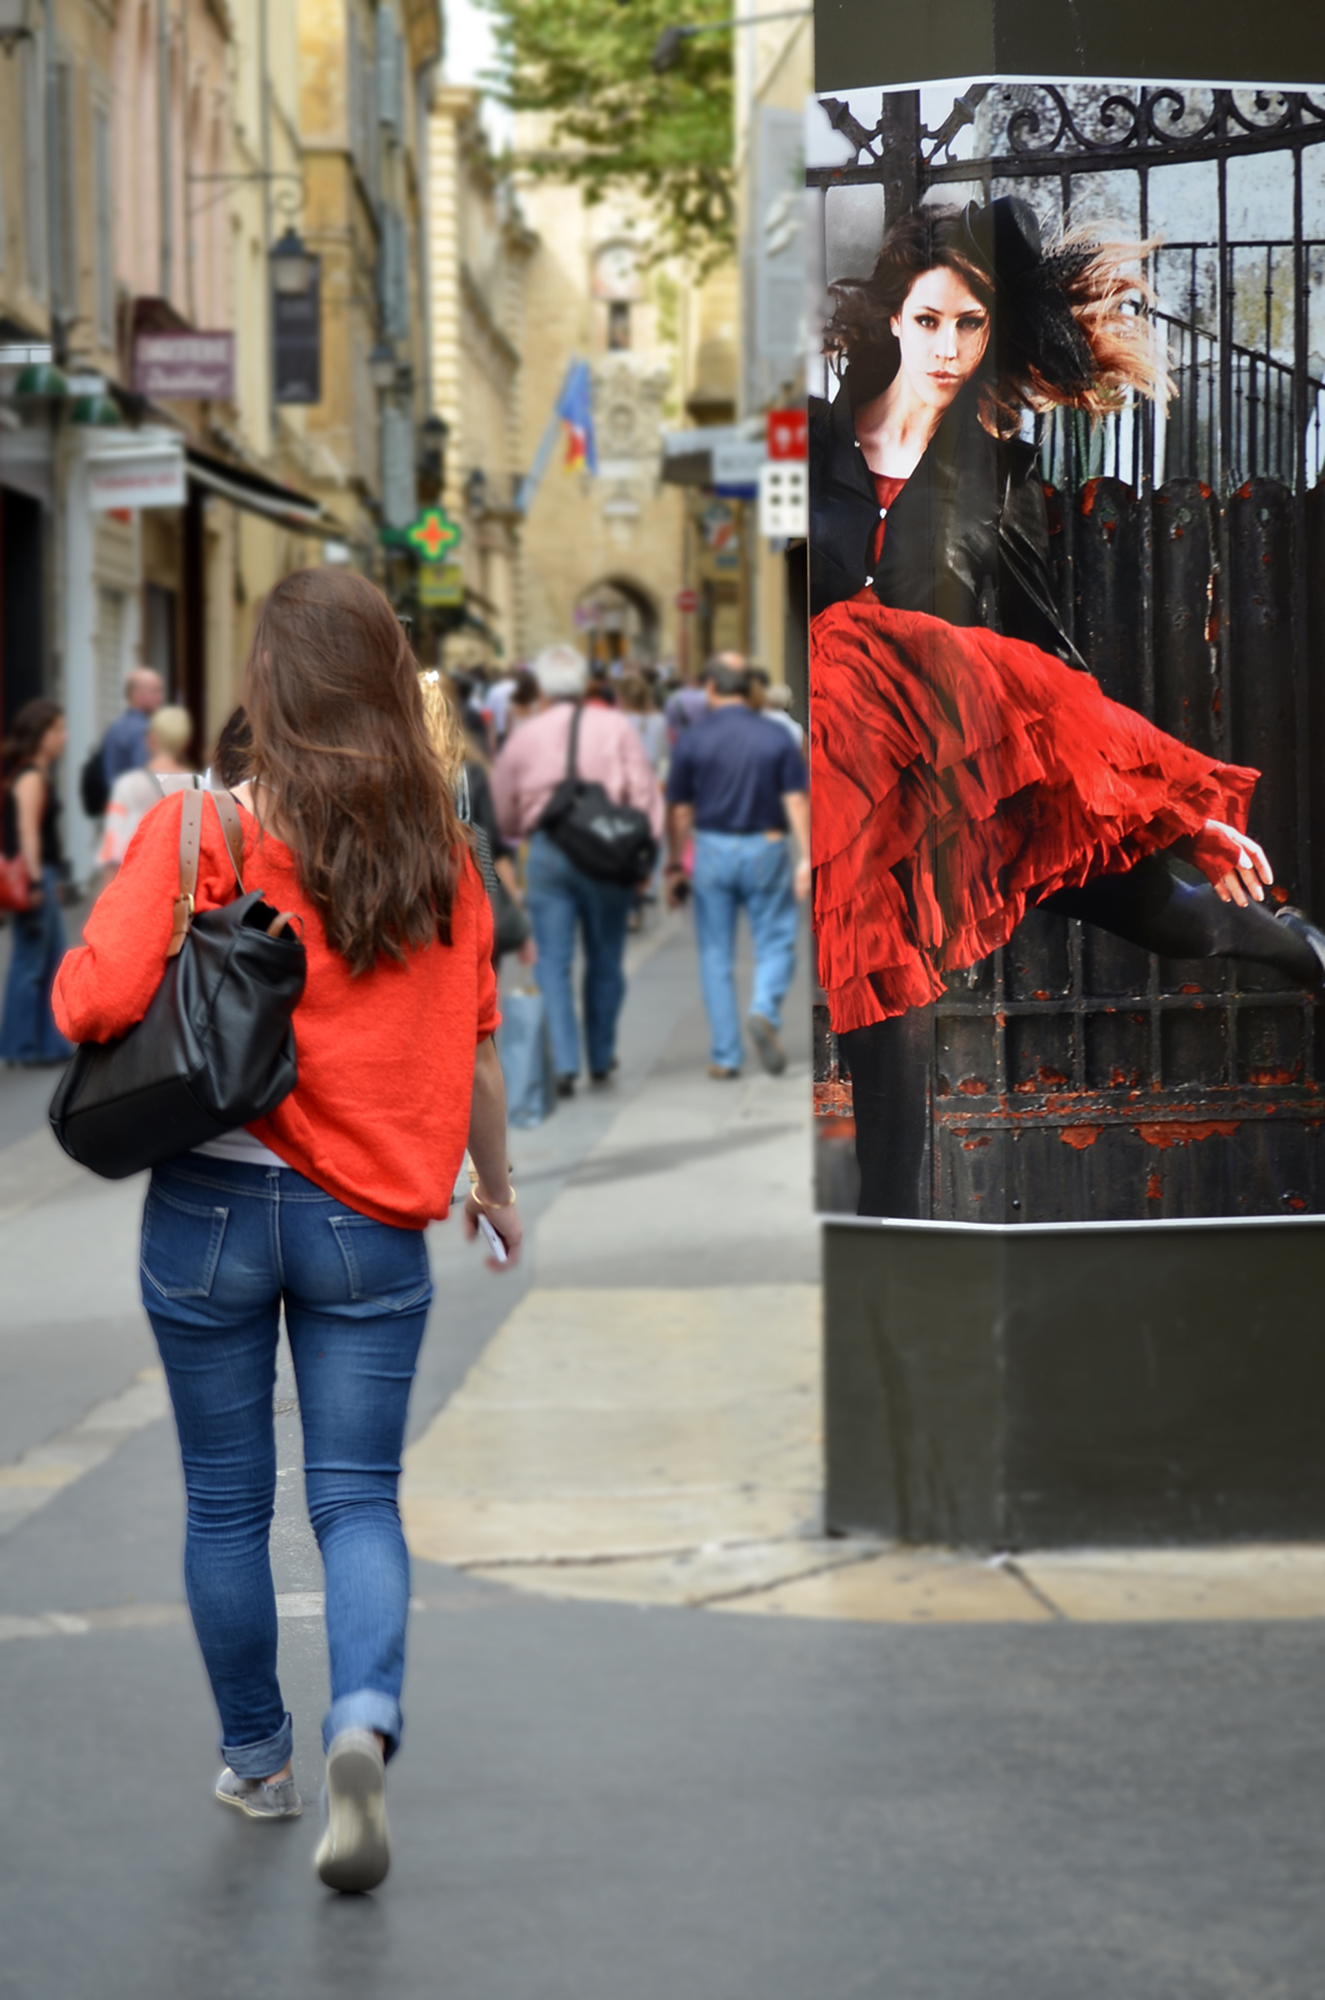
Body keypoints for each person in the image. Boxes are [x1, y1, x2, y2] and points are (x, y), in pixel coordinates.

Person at [52, 569, 522, 1894]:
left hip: (205, 1209)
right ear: (386, 680)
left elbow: (91, 1005)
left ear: (270, 688)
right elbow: (477, 1045)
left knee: (223, 1503)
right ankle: (359, 1722)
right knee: (357, 1501)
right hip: (371, 1220)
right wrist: (494, 1184)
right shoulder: (443, 845)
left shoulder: (197, 826)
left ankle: (257, 1758)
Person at [811, 196, 1325, 1216]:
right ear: (890, 321)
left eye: (970, 325)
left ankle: (1294, 946)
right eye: (928, 321)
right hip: (859, 775)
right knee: (877, 965)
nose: (948, 347)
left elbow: (1042, 661)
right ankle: (892, 1225)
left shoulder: (987, 475)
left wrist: (1177, 810)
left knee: (1167, 914)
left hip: (981, 772)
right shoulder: (806, 449)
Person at [492, 642, 663, 1094]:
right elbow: (644, 793)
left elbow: (504, 809)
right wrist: (648, 854)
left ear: (542, 688)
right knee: (607, 957)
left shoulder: (525, 734)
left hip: (550, 849)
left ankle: (566, 1062)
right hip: (609, 848)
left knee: (552, 959)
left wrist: (517, 832)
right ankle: (601, 1056)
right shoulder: (615, 726)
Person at [665, 655, 810, 1079]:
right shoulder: (775, 736)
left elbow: (679, 811)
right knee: (777, 942)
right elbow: (796, 799)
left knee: (715, 954)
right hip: (765, 846)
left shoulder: (693, 739)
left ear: (711, 689)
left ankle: (726, 1056)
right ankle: (764, 1007)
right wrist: (803, 857)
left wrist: (675, 862)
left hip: (711, 849)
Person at [0, 699, 73, 1068]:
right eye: (58, 729)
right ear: (41, 735)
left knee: (46, 961)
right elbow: (27, 831)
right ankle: (19, 1046)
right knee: (31, 965)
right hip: (32, 875)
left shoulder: (32, 774)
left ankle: (45, 1044)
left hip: (41, 873)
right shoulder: (30, 777)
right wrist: (34, 880)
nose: (64, 736)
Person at [96, 704, 197, 882]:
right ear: (185, 743)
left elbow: (112, 848)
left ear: (151, 738)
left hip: (138, 882)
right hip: (181, 885)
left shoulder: (127, 784)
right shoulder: (198, 784)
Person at [100, 667, 165, 788]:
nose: (161, 697)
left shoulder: (115, 728)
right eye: (155, 691)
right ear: (136, 694)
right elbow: (147, 778)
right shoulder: (142, 730)